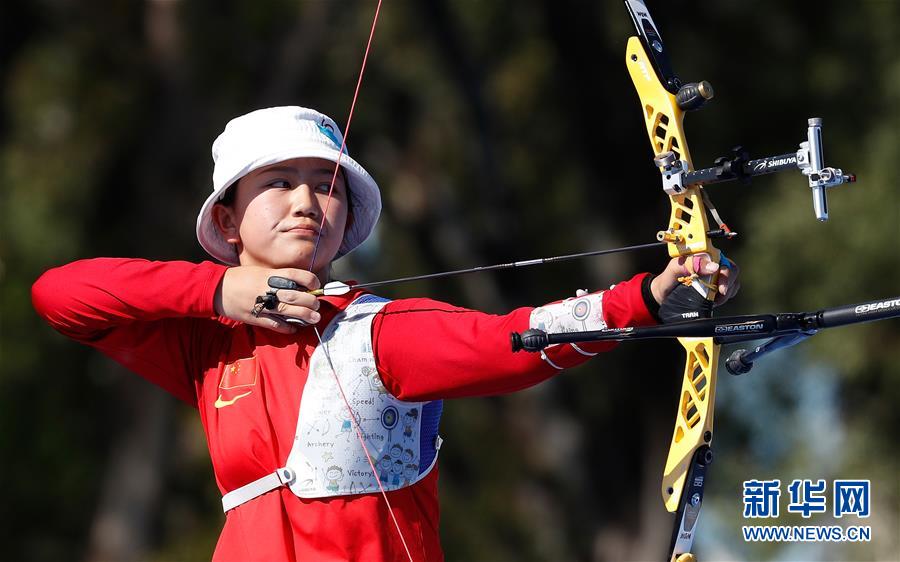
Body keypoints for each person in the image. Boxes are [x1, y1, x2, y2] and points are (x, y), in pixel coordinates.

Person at [31, 106, 739, 561]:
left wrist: (642, 298)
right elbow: (61, 295)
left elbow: (512, 342)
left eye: (327, 183)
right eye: (278, 182)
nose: (308, 202)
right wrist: (218, 290)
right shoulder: (209, 344)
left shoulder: (379, 333)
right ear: (226, 221)